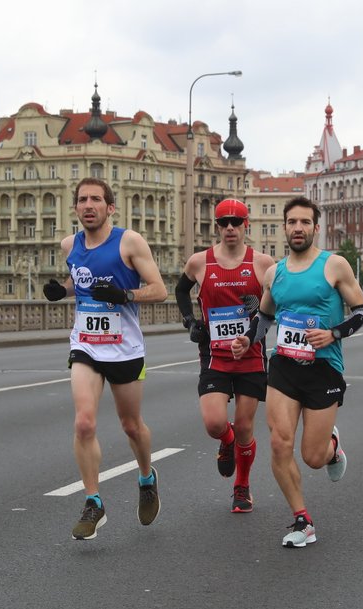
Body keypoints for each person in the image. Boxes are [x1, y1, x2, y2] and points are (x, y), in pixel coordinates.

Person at [230, 197, 363, 547]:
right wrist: (248, 339)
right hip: (285, 366)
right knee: (279, 442)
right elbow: (265, 316)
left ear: (315, 228)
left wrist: (333, 333)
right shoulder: (274, 273)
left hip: (324, 368)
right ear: (285, 226)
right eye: (292, 222)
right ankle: (302, 520)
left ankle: (332, 448)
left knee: (312, 457)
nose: (297, 228)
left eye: (304, 222)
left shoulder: (334, 265)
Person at [42, 178, 167, 539]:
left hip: (125, 346)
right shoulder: (70, 245)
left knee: (131, 425)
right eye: (82, 200)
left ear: (110, 207)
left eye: (96, 199)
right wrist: (61, 290)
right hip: (86, 344)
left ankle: (146, 477)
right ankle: (93, 502)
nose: (88, 205)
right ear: (76, 208)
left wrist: (124, 294)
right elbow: (80, 282)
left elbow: (158, 290)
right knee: (84, 422)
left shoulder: (129, 242)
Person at [174, 198, 276, 513]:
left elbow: (277, 306)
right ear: (217, 227)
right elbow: (180, 290)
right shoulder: (199, 262)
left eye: (236, 221)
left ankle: (242, 487)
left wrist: (256, 307)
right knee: (214, 423)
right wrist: (190, 321)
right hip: (214, 355)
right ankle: (227, 441)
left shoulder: (263, 264)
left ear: (246, 225)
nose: (230, 228)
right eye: (224, 222)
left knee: (246, 426)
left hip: (251, 355)